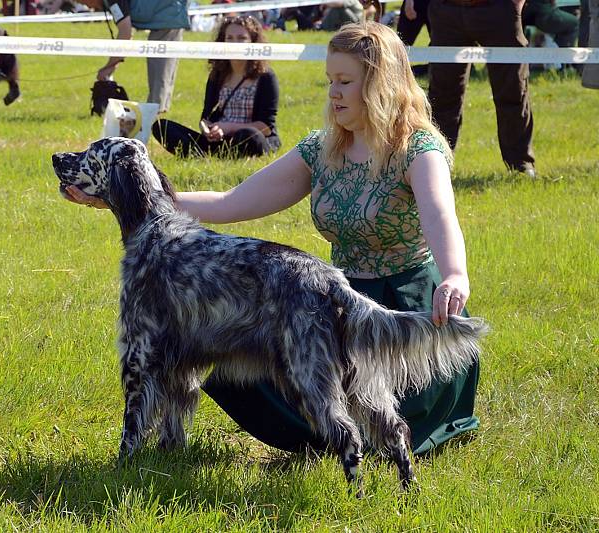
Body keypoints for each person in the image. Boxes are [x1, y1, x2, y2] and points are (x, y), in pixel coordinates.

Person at [64, 22, 481, 456]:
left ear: (380, 85)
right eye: (329, 82)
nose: (332, 93)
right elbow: (229, 202)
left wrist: (454, 274)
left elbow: (441, 218)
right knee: (237, 358)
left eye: (345, 82)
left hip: (409, 306)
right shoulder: (322, 148)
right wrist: (125, 199)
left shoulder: (418, 150)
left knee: (381, 412)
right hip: (333, 303)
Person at [426, 0, 535, 177]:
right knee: (441, 95)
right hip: (446, 10)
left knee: (513, 91)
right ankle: (434, 162)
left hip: (499, 9)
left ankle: (521, 165)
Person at [151, 16, 280, 158]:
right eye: (229, 38)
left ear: (253, 41)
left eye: (241, 38)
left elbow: (266, 127)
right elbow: (206, 116)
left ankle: (215, 154)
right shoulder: (217, 75)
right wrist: (207, 129)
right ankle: (209, 154)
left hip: (249, 137)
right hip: (219, 139)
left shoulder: (266, 77)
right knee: (162, 127)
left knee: (250, 136)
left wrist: (228, 128)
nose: (235, 43)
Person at [80, 0, 189, 113]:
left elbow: (125, 33)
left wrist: (109, 66)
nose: (87, 6)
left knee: (159, 74)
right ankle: (156, 113)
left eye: (82, 1)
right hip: (168, 13)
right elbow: (126, 33)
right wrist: (112, 65)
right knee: (161, 75)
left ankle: (155, 116)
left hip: (168, 15)